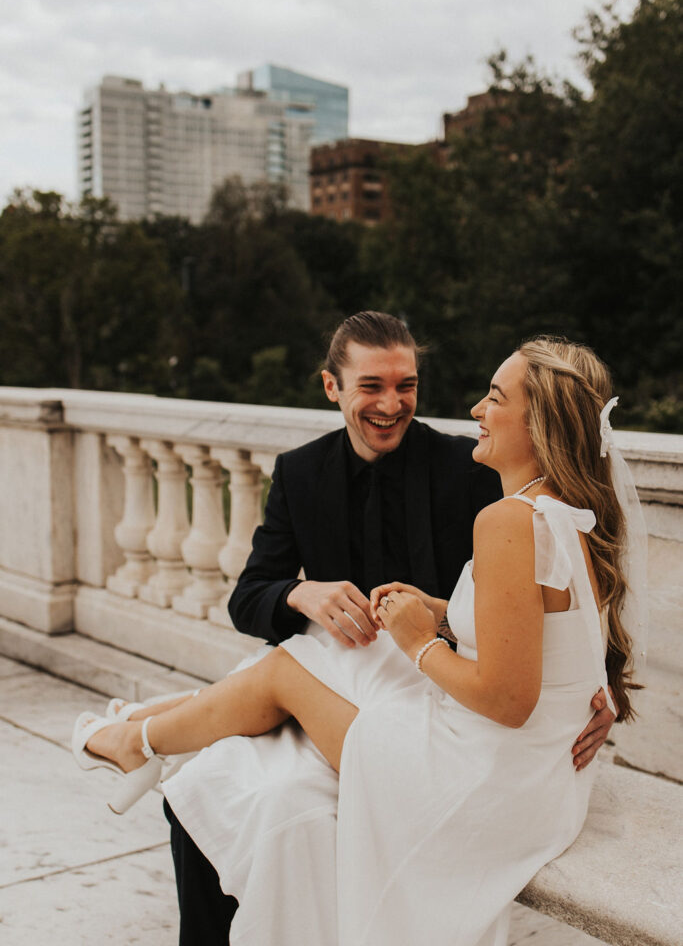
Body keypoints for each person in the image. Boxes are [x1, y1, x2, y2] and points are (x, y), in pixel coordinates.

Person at [74, 328, 635, 946]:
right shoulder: (303, 472)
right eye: (372, 386)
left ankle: (141, 737)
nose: (392, 404)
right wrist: (301, 592)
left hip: (461, 733)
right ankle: (148, 730)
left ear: (542, 425)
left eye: (407, 386)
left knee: (275, 699)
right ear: (332, 387)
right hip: (481, 738)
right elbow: (551, 613)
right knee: (241, 743)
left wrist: (429, 640)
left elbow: (516, 676)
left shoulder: (483, 480)